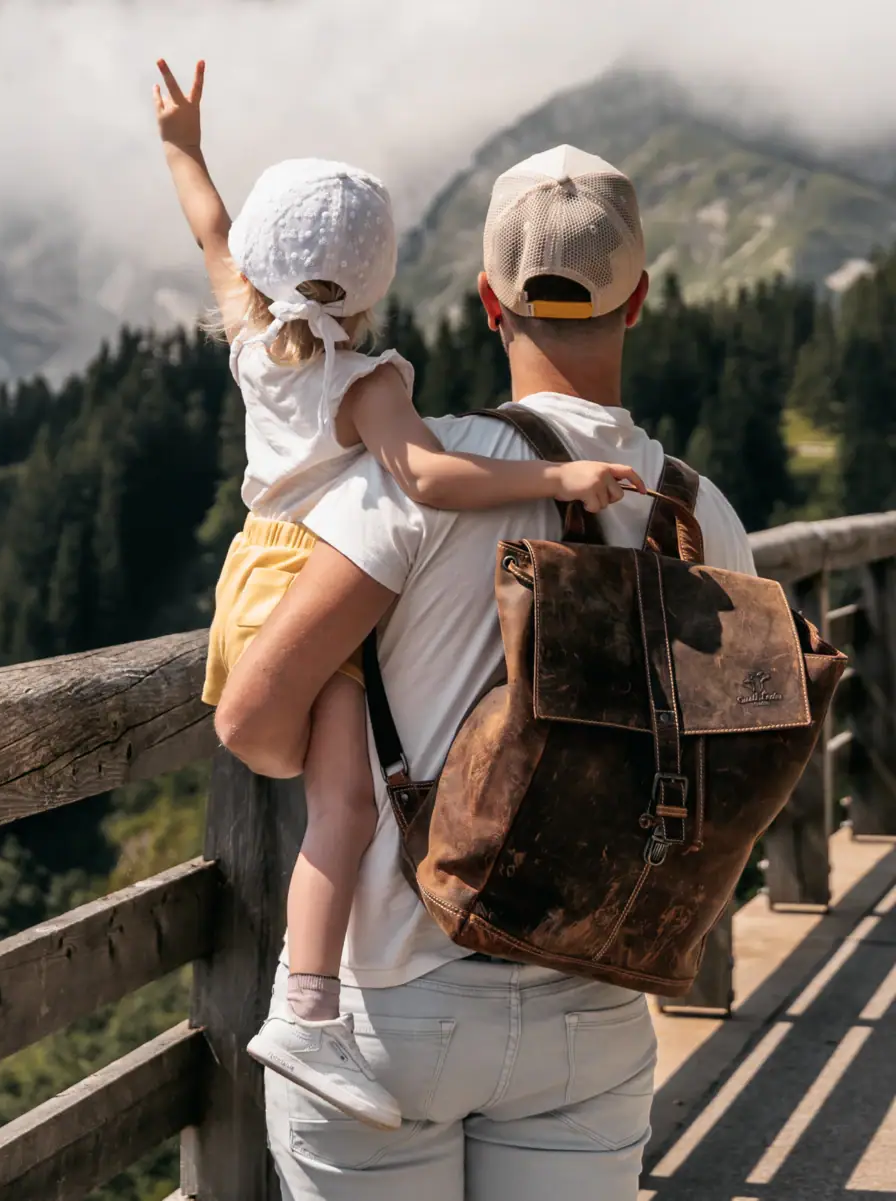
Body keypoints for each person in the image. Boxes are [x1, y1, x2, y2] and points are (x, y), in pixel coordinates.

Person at [215, 143, 757, 1200]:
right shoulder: (704, 517)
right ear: (639, 298)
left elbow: (252, 720)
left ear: (486, 300)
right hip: (593, 998)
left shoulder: (414, 480)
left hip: (387, 996)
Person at [154, 60, 644, 1131]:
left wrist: (184, 145)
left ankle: (319, 999)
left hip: (256, 584)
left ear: (488, 302)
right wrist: (556, 477)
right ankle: (304, 1003)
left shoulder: (253, 344)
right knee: (342, 807)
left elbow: (212, 234)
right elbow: (425, 479)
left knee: (322, 785)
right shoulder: (369, 382)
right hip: (318, 587)